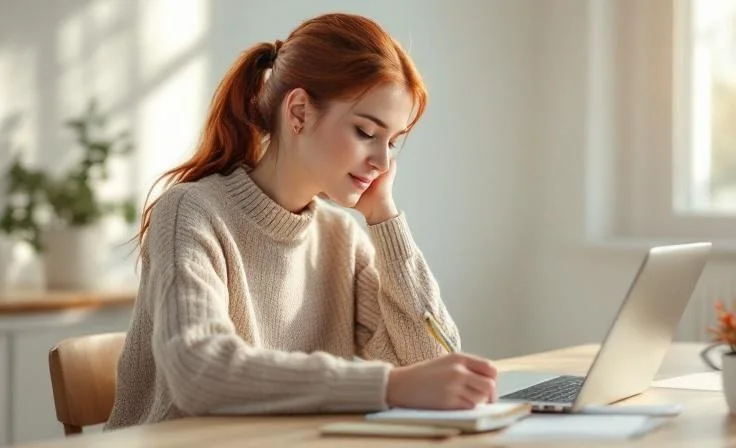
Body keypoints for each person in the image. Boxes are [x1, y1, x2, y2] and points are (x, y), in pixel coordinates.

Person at [105, 12, 497, 430]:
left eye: (393, 143)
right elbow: (200, 374)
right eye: (366, 132)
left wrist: (385, 219)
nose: (383, 162)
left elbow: (434, 363)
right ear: (298, 113)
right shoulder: (191, 213)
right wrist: (387, 385)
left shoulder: (342, 238)